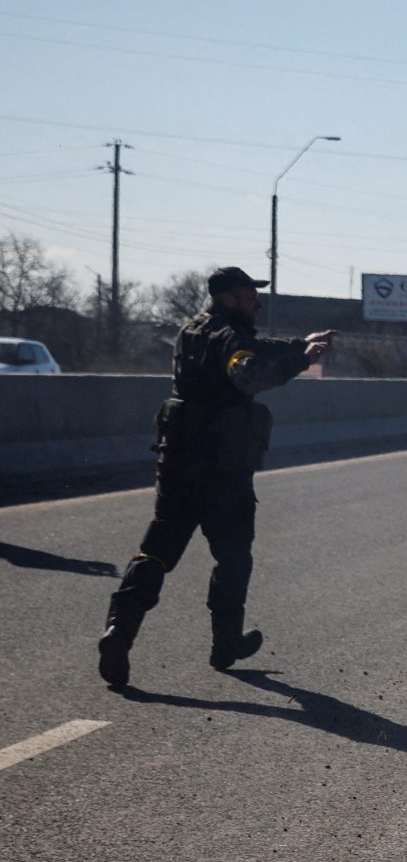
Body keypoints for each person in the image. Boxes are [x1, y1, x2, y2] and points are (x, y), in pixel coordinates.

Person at [96, 266, 333, 687]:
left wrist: (302, 345)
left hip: (177, 461)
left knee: (157, 549)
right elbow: (249, 372)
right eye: (249, 295)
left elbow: (255, 348)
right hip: (221, 468)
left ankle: (120, 631)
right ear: (228, 298)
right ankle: (225, 644)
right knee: (233, 556)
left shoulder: (194, 330)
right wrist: (301, 360)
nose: (257, 302)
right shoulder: (229, 336)